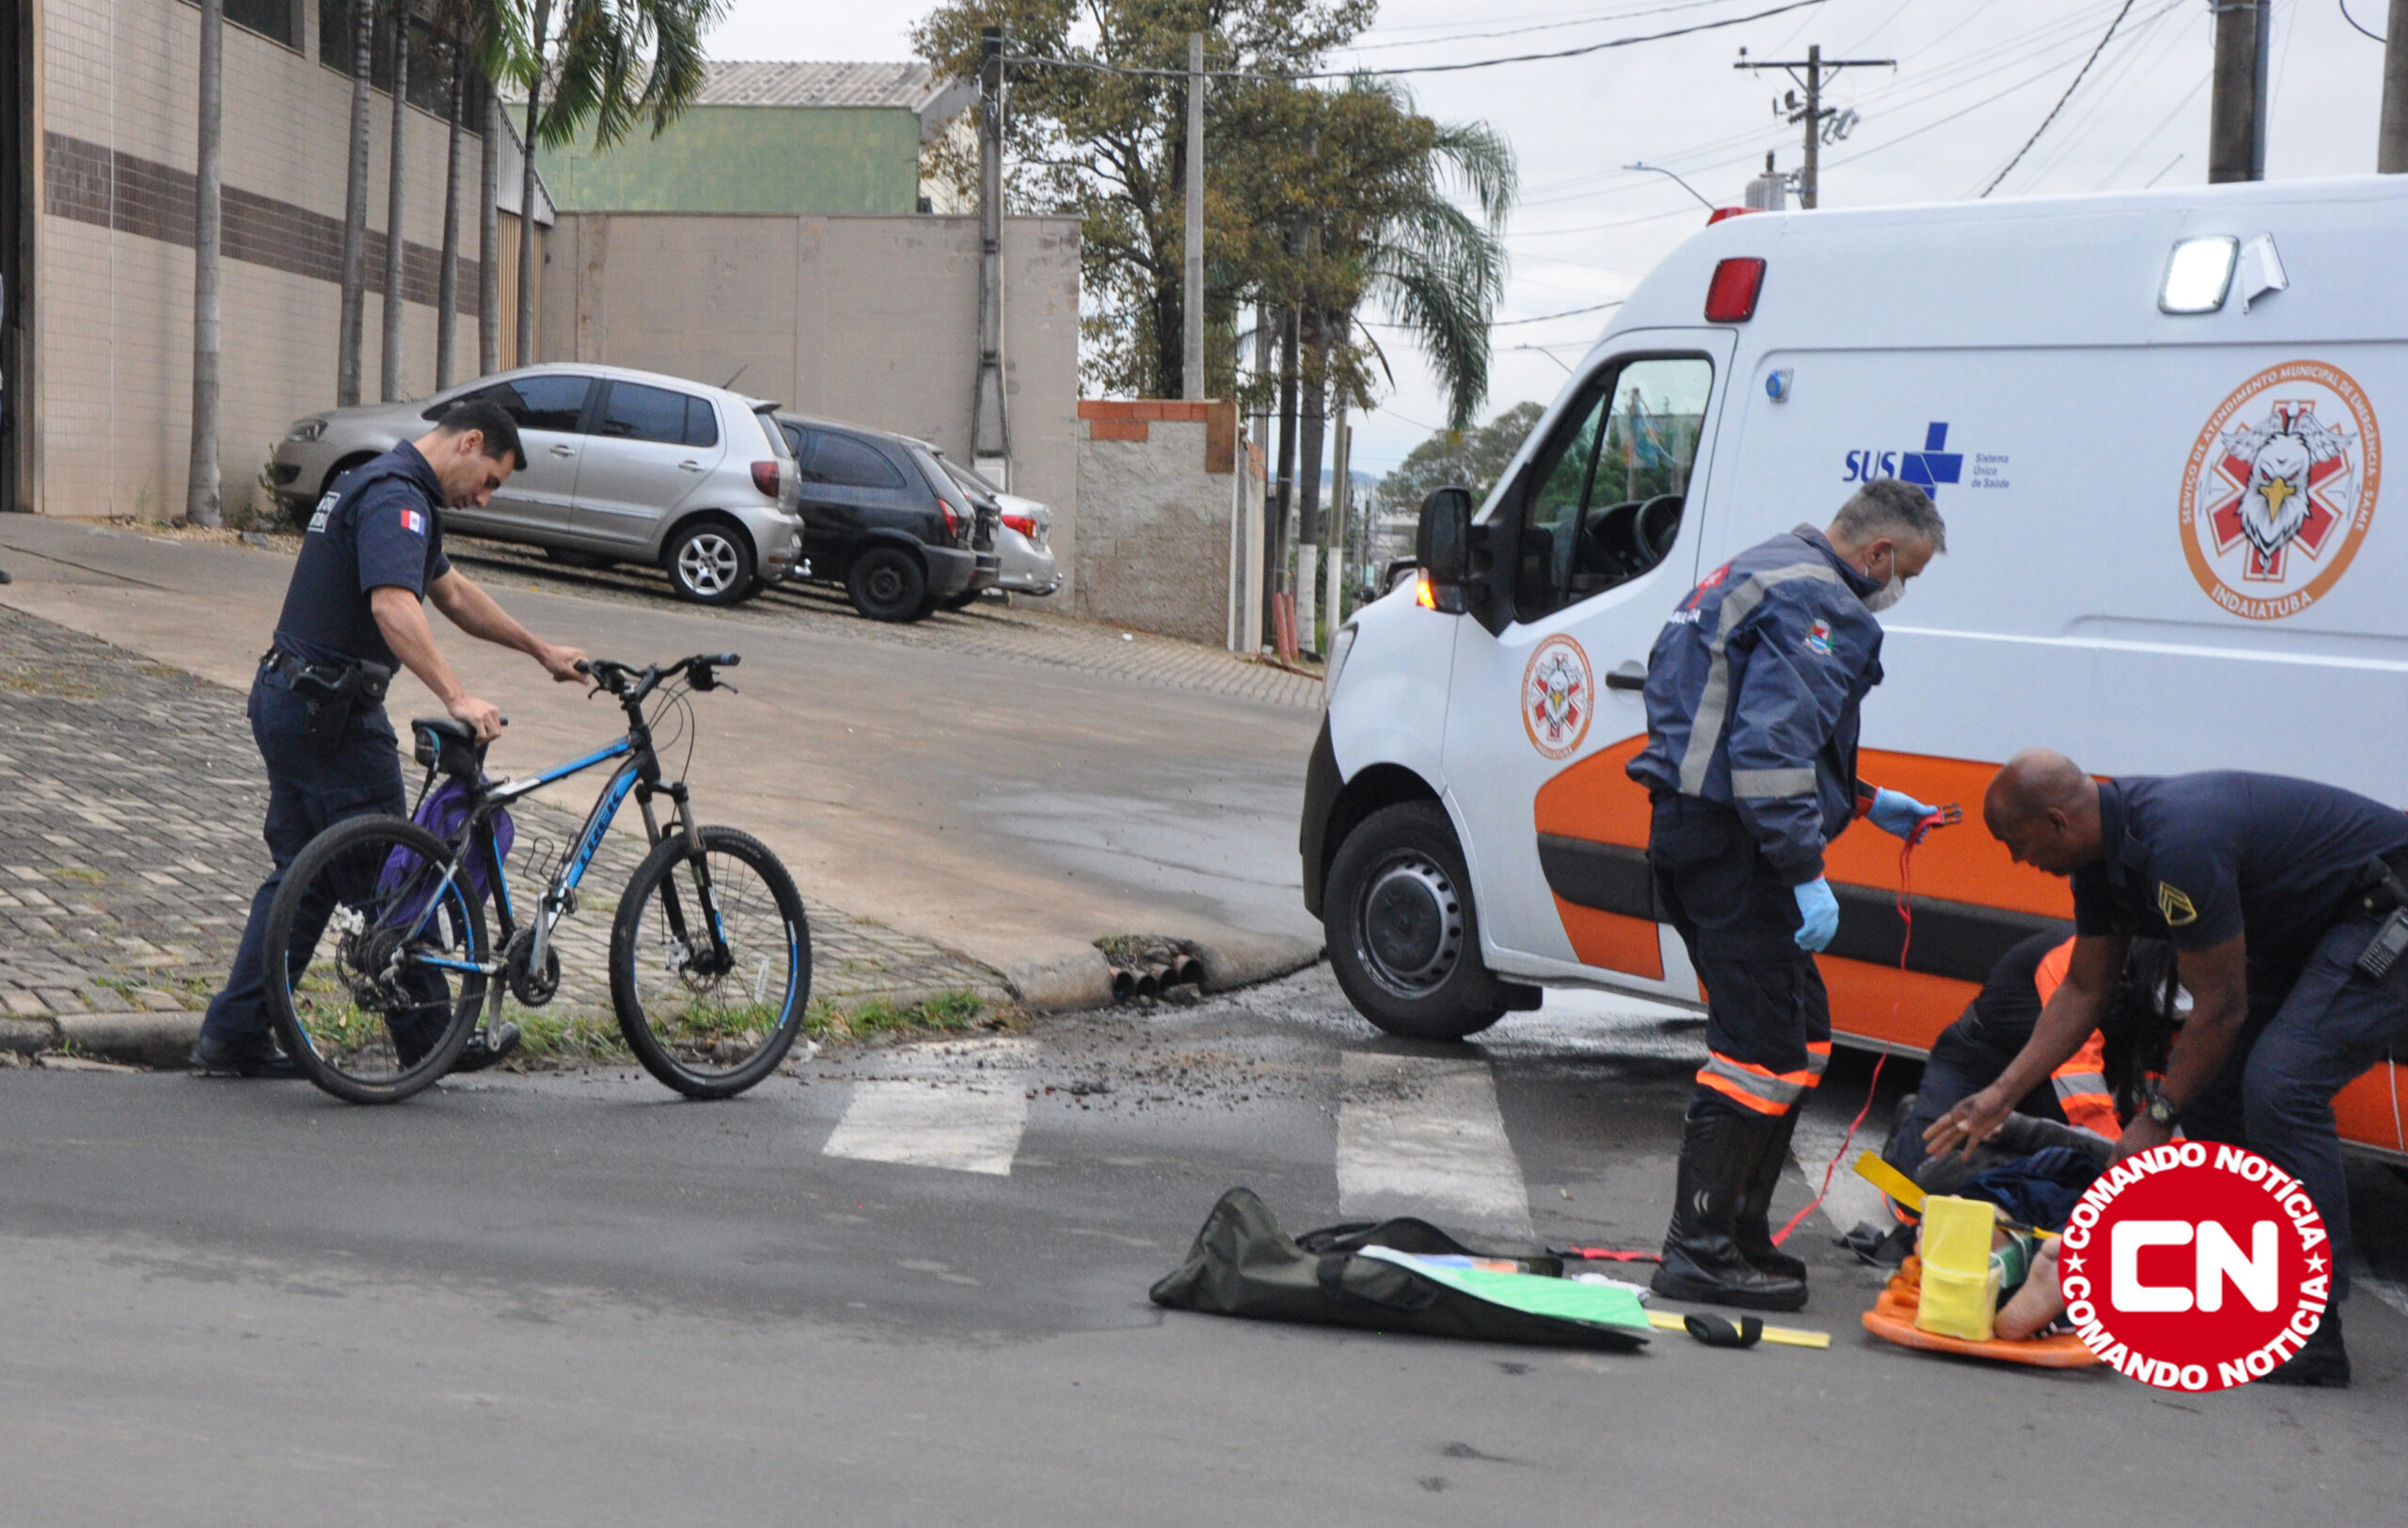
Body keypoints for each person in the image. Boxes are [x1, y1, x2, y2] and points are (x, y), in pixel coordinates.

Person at [1925, 750, 2408, 1387]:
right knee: (2214, 1093)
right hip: (2316, 929)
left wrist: (2156, 1116)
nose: (2019, 861)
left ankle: (2312, 1331)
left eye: (2017, 844)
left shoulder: (2178, 846)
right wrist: (1999, 1094)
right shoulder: (2103, 865)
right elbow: (2082, 990)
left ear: (2057, 822)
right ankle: (2254, 1284)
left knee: (2282, 1085)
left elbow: (2222, 1006)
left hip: (2385, 912)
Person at [1625, 479, 1949, 1311]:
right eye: (1903, 571)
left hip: (1701, 835)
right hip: (1739, 853)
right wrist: (1807, 874)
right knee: (1755, 1051)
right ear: (1877, 553)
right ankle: (1698, 1250)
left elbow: (1739, 727)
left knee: (1799, 1037)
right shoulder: (1824, 601)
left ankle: (1737, 1233)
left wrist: (1868, 803)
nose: (1898, 588)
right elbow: (1770, 748)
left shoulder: (1759, 567)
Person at [191, 401, 588, 1077]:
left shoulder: (382, 482)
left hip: (294, 700)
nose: (486, 500)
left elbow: (452, 593)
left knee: (305, 877)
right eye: (490, 479)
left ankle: (234, 1032)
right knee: (393, 872)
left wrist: (540, 649)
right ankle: (434, 1038)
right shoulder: (396, 496)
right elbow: (392, 603)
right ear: (468, 442)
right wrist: (456, 695)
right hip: (330, 718)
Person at [1887, 927, 2176, 1186]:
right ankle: (1912, 1122)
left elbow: (2161, 1080)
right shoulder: (2075, 961)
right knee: (1915, 1196)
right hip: (1985, 1064)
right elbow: (2084, 1099)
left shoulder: (2185, 985)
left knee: (2056, 1177)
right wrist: (2126, 1164)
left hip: (2063, 1081)